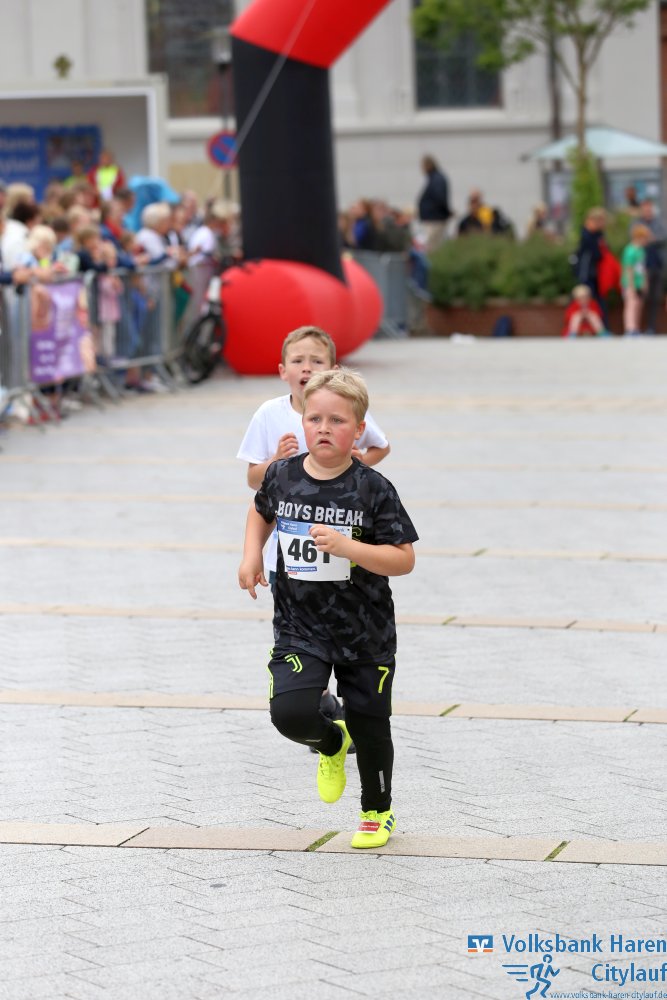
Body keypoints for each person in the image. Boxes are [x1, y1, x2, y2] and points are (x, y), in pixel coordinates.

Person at [238, 368, 418, 849]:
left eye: (337, 420)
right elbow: (260, 510)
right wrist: (251, 554)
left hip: (364, 630)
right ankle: (331, 742)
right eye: (314, 418)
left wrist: (347, 547)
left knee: (370, 724)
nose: (323, 428)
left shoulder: (373, 488)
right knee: (290, 712)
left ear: (358, 430)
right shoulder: (283, 474)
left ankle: (376, 812)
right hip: (300, 625)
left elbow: (403, 559)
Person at [237, 325, 391, 730]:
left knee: (349, 633)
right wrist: (274, 461)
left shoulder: (343, 406)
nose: (307, 368)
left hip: (345, 554)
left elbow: (380, 445)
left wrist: (358, 464)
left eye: (316, 361)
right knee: (301, 640)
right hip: (290, 558)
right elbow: (255, 484)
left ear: (333, 368)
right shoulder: (270, 414)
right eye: (298, 360)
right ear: (282, 370)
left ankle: (352, 707)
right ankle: (317, 702)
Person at [636, 199, 665, 334]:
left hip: (658, 265)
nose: (647, 211)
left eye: (649, 209)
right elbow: (634, 238)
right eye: (645, 209)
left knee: (655, 297)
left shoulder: (659, 222)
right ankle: (635, 327)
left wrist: (649, 238)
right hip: (643, 267)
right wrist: (650, 239)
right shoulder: (636, 223)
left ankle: (651, 327)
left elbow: (663, 236)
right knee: (641, 297)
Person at [416, 154, 452, 252]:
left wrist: (446, 211)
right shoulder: (434, 178)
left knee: (432, 247)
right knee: (431, 246)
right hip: (433, 218)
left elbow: (440, 198)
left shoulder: (437, 179)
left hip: (435, 219)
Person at [620, 222, 650, 337]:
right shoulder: (630, 250)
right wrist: (631, 286)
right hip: (630, 283)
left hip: (639, 282)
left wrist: (645, 282)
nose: (646, 241)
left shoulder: (641, 250)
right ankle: (629, 328)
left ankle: (636, 327)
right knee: (631, 305)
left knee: (638, 305)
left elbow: (643, 268)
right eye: (645, 238)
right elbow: (629, 269)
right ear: (638, 237)